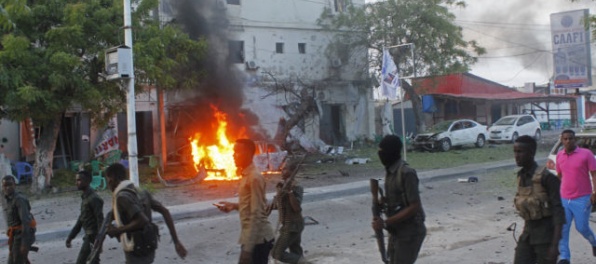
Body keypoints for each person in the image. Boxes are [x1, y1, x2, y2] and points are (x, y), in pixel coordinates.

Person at [104, 163, 187, 263]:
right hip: (149, 245)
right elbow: (165, 211)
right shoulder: (141, 192)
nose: (109, 185)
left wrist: (119, 230)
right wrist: (176, 241)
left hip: (136, 248)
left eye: (109, 181)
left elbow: (142, 220)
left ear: (113, 179)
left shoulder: (121, 197)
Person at [216, 138, 275, 264]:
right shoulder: (246, 176)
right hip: (251, 238)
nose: (233, 155)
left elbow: (257, 213)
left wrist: (248, 248)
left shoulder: (254, 178)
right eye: (233, 151)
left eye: (237, 151)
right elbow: (252, 205)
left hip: (258, 239)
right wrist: (233, 206)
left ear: (248, 153)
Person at [372, 135, 426, 264]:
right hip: (397, 231)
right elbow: (398, 199)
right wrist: (382, 202)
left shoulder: (407, 173)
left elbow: (414, 206)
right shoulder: (390, 171)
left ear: (391, 152)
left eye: (382, 152)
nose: (380, 155)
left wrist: (385, 222)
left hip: (410, 232)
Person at [512, 135, 565, 264]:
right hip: (528, 234)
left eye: (520, 151)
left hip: (545, 238)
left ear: (531, 153)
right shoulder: (521, 176)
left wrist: (554, 246)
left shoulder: (547, 178)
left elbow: (559, 213)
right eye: (515, 151)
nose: (516, 155)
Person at [555, 129, 596, 264]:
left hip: (583, 198)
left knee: (582, 227)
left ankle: (594, 242)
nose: (568, 141)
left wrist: (595, 192)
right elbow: (560, 175)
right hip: (564, 198)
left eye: (570, 138)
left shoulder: (586, 154)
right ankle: (565, 258)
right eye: (565, 139)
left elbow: (594, 174)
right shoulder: (559, 156)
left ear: (575, 140)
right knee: (563, 228)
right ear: (562, 140)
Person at [268, 160, 308, 264]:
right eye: (282, 168)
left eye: (285, 169)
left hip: (292, 225)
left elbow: (297, 208)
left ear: (292, 172)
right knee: (296, 250)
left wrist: (290, 192)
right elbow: (280, 205)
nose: (282, 171)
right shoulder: (281, 186)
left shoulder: (296, 187)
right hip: (288, 224)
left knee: (276, 253)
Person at [65, 170, 104, 264]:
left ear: (87, 181)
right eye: (76, 180)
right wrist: (71, 236)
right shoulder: (85, 197)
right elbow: (81, 219)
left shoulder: (94, 198)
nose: (76, 183)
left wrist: (99, 240)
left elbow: (100, 220)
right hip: (89, 236)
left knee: (81, 261)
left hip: (92, 237)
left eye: (79, 180)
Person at [2, 175, 36, 264]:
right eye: (5, 186)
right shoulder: (9, 199)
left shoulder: (19, 199)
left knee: (17, 261)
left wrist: (24, 243)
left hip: (22, 235)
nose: (7, 188)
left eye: (10, 185)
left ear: (14, 185)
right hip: (15, 235)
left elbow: (25, 222)